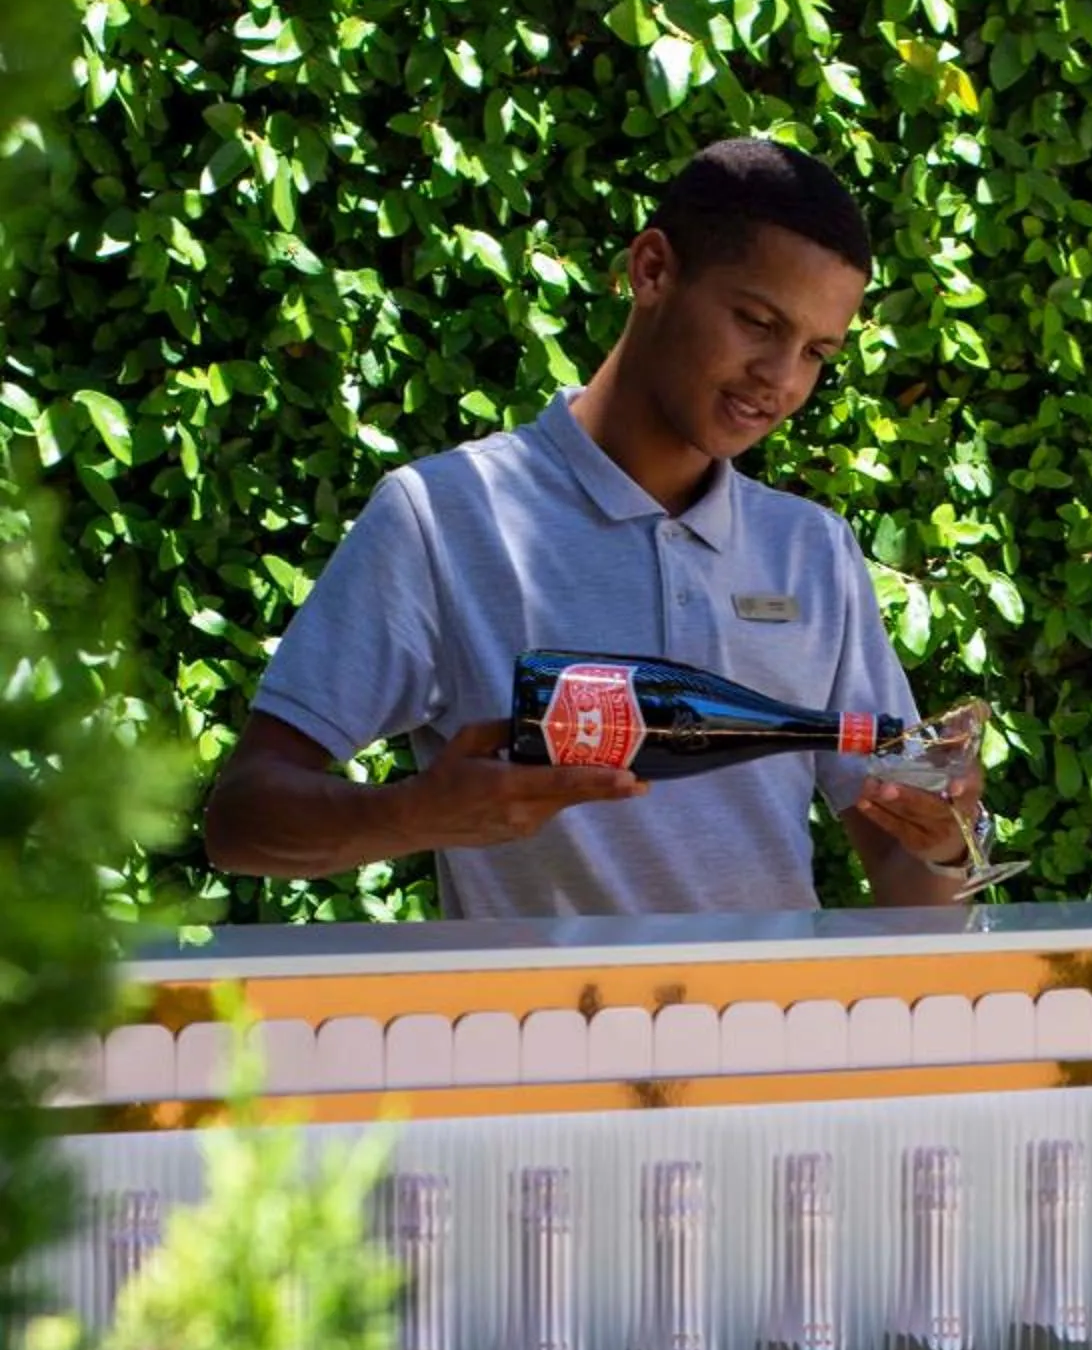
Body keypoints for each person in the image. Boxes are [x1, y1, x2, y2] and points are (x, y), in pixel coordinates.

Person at [203, 138, 981, 915]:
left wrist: (947, 842)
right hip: (536, 1037)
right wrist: (414, 814)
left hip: (763, 1033)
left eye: (816, 351)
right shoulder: (443, 516)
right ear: (652, 270)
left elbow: (914, 881)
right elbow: (240, 821)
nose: (779, 380)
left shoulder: (813, 550)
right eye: (756, 322)